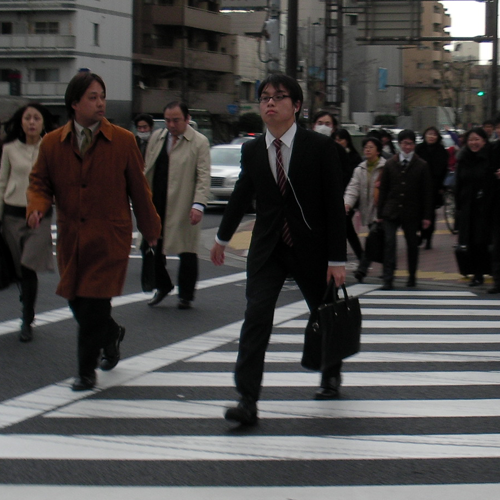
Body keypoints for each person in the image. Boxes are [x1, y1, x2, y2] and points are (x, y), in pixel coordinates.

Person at [210, 73, 346, 425]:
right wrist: (222, 238)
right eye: (264, 97)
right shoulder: (253, 149)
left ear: (296, 106)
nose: (270, 102)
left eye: (279, 97)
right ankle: (247, 399)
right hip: (268, 247)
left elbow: (333, 203)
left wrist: (336, 258)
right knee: (256, 317)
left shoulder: (319, 147)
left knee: (323, 312)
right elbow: (242, 194)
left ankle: (330, 372)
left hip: (311, 247)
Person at [27, 71, 161, 391]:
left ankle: (86, 371)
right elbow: (39, 182)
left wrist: (151, 229)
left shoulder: (124, 141)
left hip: (108, 237)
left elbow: (139, 191)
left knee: (94, 304)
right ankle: (111, 333)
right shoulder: (52, 143)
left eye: (102, 96)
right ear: (74, 103)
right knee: (77, 301)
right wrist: (38, 205)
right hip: (72, 237)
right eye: (92, 97)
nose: (100, 102)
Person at [144, 101, 210, 310]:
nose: (171, 125)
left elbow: (203, 175)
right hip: (157, 199)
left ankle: (186, 294)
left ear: (187, 119)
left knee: (187, 248)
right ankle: (162, 285)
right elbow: (147, 167)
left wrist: (198, 204)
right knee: (153, 244)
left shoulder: (199, 142)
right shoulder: (158, 137)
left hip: (183, 201)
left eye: (176, 120)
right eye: (168, 120)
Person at [0, 103, 54, 342]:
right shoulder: (9, 149)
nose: (32, 122)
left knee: (29, 265)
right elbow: (1, 183)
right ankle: (26, 298)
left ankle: (26, 318)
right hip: (12, 214)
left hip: (40, 217)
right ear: (20, 122)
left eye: (36, 118)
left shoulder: (52, 148)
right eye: (27, 118)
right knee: (19, 268)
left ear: (43, 123)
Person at [377, 129, 433, 290]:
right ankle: (388, 279)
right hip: (391, 210)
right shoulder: (390, 163)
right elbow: (384, 190)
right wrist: (380, 213)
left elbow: (427, 193)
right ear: (399, 144)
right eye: (404, 143)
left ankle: (412, 276)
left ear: (414, 145)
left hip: (412, 210)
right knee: (389, 243)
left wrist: (427, 216)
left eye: (410, 143)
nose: (407, 147)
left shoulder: (421, 165)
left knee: (412, 244)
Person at [311, 114, 362, 262]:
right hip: (309, 202)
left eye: (327, 123)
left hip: (333, 201)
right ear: (313, 125)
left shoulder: (339, 151)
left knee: (339, 231)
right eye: (320, 122)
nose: (323, 126)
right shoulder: (302, 147)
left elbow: (346, 177)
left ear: (333, 128)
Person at [455, 127, 494, 286]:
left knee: (484, 241)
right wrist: (459, 205)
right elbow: (458, 183)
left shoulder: (491, 158)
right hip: (468, 207)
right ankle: (477, 274)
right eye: (471, 139)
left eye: (477, 139)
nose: (474, 143)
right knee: (471, 241)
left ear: (484, 141)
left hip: (487, 207)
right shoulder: (463, 158)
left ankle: (489, 271)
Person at [344, 137, 386, 282]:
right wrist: (347, 203)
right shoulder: (360, 169)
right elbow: (353, 188)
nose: (367, 150)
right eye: (366, 147)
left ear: (378, 151)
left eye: (371, 147)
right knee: (381, 241)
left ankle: (362, 269)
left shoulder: (385, 168)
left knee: (372, 239)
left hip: (382, 212)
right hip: (367, 211)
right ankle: (388, 269)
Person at [415, 126, 449, 249]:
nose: (431, 137)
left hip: (434, 186)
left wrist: (441, 186)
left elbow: (444, 169)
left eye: (434, 134)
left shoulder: (441, 151)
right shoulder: (419, 149)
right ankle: (420, 234)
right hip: (419, 186)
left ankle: (428, 237)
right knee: (417, 211)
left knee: (430, 213)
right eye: (429, 134)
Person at [335, 128, 364, 261]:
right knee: (343, 227)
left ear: (347, 141)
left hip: (350, 198)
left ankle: (360, 255)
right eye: (335, 139)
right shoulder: (330, 155)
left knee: (345, 226)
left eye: (340, 139)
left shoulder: (354, 157)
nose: (337, 142)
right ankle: (358, 255)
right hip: (335, 197)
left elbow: (354, 180)